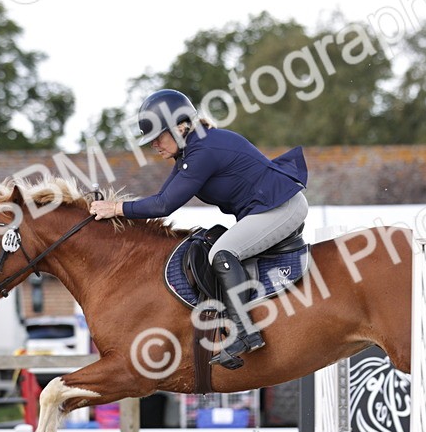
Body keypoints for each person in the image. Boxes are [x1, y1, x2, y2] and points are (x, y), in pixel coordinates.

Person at [88, 89, 309, 366]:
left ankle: (245, 333)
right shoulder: (190, 150)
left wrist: (116, 209)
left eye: (158, 136)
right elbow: (160, 197)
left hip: (283, 207)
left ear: (180, 127)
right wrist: (116, 211)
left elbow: (163, 206)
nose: (153, 144)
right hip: (268, 207)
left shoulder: (203, 150)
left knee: (222, 253)